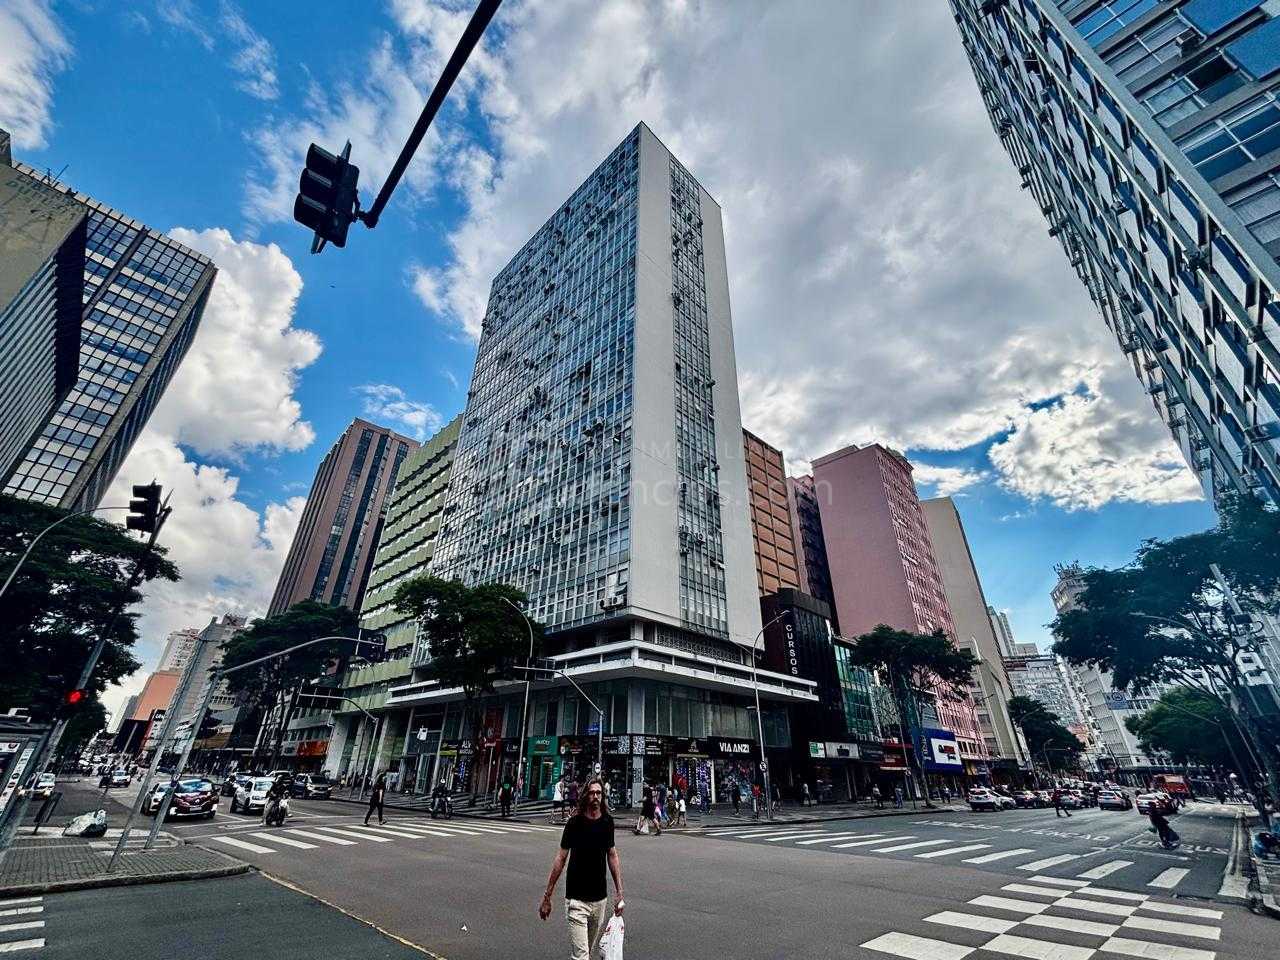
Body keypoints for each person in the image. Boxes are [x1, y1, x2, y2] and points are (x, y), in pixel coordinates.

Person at [539, 778, 624, 960]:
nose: (595, 797)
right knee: (582, 957)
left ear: (602, 796)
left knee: (586, 951)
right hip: (576, 900)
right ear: (586, 795)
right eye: (592, 793)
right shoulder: (574, 823)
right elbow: (560, 859)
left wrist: (619, 892)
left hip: (599, 901)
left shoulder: (607, 822)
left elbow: (612, 855)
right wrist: (547, 896)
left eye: (598, 793)